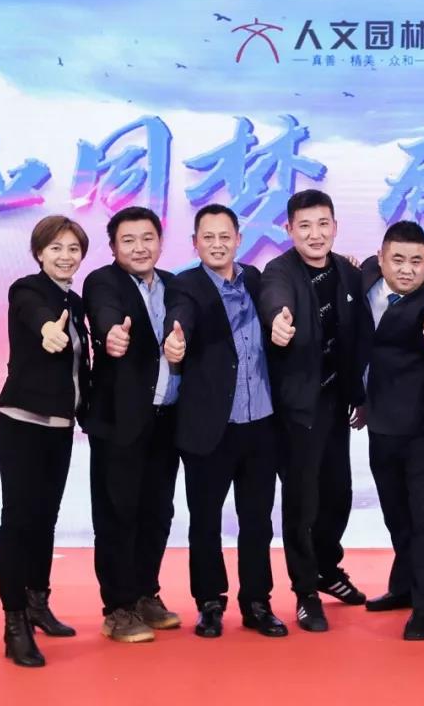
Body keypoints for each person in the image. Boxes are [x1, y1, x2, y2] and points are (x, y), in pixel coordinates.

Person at [162, 204, 288, 638]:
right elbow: (180, 315)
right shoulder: (186, 285)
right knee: (205, 521)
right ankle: (210, 602)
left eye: (225, 236)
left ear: (238, 240)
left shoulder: (255, 279)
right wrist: (175, 340)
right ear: (195, 242)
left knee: (258, 521)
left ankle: (257, 602)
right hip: (209, 426)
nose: (217, 245)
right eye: (208, 237)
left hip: (261, 424)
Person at [259, 189, 368, 632]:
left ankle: (326, 567)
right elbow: (274, 298)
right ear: (289, 230)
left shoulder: (348, 272)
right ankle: (305, 591)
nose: (315, 234)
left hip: (335, 401)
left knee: (338, 493)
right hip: (298, 406)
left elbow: (358, 335)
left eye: (323, 224)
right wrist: (277, 322)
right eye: (304, 226)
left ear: (335, 227)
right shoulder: (279, 271)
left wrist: (359, 395)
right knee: (302, 501)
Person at [0, 215, 90, 667]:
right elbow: (35, 316)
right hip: (23, 422)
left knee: (45, 519)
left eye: (73, 248)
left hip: (60, 426)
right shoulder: (27, 290)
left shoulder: (76, 302)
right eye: (56, 248)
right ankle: (14, 624)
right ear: (39, 253)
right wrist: (49, 330)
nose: (65, 256)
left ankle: (38, 602)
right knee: (18, 521)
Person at [83, 206, 181, 643]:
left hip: (167, 419)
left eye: (147, 238)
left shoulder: (175, 285)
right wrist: (112, 334)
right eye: (128, 240)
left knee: (157, 512)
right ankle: (118, 608)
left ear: (160, 241)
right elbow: (104, 312)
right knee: (117, 513)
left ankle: (145, 593)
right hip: (120, 421)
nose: (140, 247)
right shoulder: (103, 282)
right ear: (113, 247)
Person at [359, 221, 424, 640]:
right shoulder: (365, 275)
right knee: (395, 514)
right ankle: (403, 586)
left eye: (417, 261)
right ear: (380, 258)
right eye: (397, 259)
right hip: (379, 423)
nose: (407, 269)